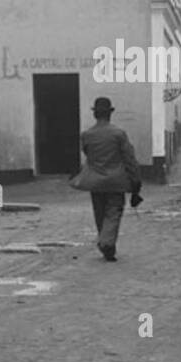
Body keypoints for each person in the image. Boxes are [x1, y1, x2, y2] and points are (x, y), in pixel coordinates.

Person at [69, 97, 141, 262]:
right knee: (113, 213)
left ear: (95, 114)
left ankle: (106, 245)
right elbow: (129, 159)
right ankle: (107, 243)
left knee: (100, 214)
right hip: (116, 182)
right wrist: (136, 181)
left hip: (95, 182)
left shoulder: (87, 135)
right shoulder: (118, 134)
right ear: (110, 114)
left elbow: (88, 155)